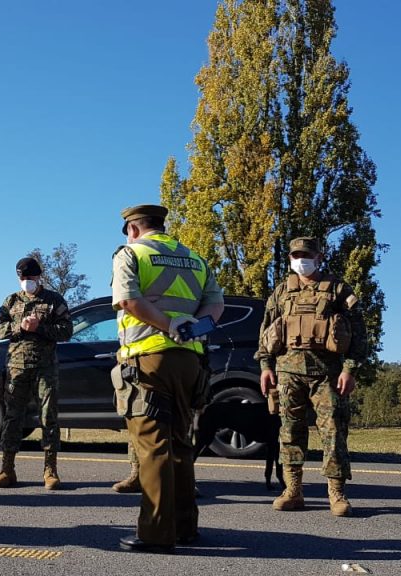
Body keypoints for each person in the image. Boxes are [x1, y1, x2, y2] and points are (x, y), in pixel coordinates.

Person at [111, 204, 223, 554]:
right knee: (180, 442)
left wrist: (167, 325)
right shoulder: (196, 259)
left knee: (152, 445)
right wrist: (190, 327)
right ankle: (186, 526)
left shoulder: (131, 254)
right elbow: (216, 306)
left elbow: (128, 301)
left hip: (148, 360)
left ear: (132, 229)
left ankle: (157, 533)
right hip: (191, 360)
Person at [255, 237, 367, 517]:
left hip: (327, 374)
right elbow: (266, 332)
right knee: (289, 432)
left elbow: (359, 333)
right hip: (288, 372)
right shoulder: (282, 292)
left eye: (306, 254)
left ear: (319, 257)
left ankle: (336, 494)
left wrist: (349, 369)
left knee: (333, 433)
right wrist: (266, 367)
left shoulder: (339, 290)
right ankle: (293, 491)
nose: (300, 259)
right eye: (296, 255)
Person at [0, 257, 73, 490]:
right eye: (23, 278)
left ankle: (50, 470)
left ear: (39, 277)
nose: (26, 282)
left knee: (49, 417)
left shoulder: (54, 300)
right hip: (17, 367)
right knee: (12, 417)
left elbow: (67, 330)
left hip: (45, 368)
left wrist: (41, 328)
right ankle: (7, 469)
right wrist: (20, 327)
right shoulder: (11, 301)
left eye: (31, 278)